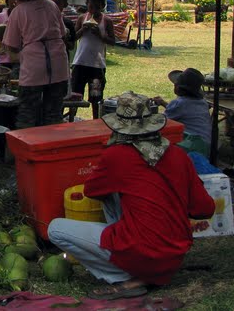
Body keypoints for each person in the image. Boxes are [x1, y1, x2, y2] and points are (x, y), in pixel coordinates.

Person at [48, 93, 215, 300]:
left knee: (55, 229)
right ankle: (145, 270)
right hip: (174, 256)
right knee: (115, 195)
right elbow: (205, 209)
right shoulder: (178, 155)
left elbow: (91, 191)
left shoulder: (118, 155)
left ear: (119, 127)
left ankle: (127, 277)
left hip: (143, 252)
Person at [1, 0, 71, 128]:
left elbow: (11, 46)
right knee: (54, 115)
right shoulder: (52, 5)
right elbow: (62, 33)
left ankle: (24, 151)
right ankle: (51, 149)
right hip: (59, 64)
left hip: (34, 66)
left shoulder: (19, 11)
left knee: (27, 113)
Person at [71, 0, 116, 118]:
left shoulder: (106, 21)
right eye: (91, 6)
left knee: (95, 97)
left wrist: (101, 35)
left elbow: (112, 41)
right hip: (80, 63)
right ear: (87, 3)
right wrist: (82, 30)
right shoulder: (82, 18)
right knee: (75, 95)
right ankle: (71, 118)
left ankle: (95, 120)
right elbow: (73, 37)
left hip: (97, 66)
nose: (94, 10)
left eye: (98, 7)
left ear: (102, 6)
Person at [153, 68, 212, 155]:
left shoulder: (179, 104)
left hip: (190, 146)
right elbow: (184, 111)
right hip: (205, 145)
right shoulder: (202, 102)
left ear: (178, 87)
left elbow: (161, 121)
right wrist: (163, 103)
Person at [0, 0, 18, 71]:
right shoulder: (0, 17)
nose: (15, 1)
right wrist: (0, 32)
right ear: (7, 0)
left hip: (18, 58)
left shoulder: (23, 15)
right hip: (3, 58)